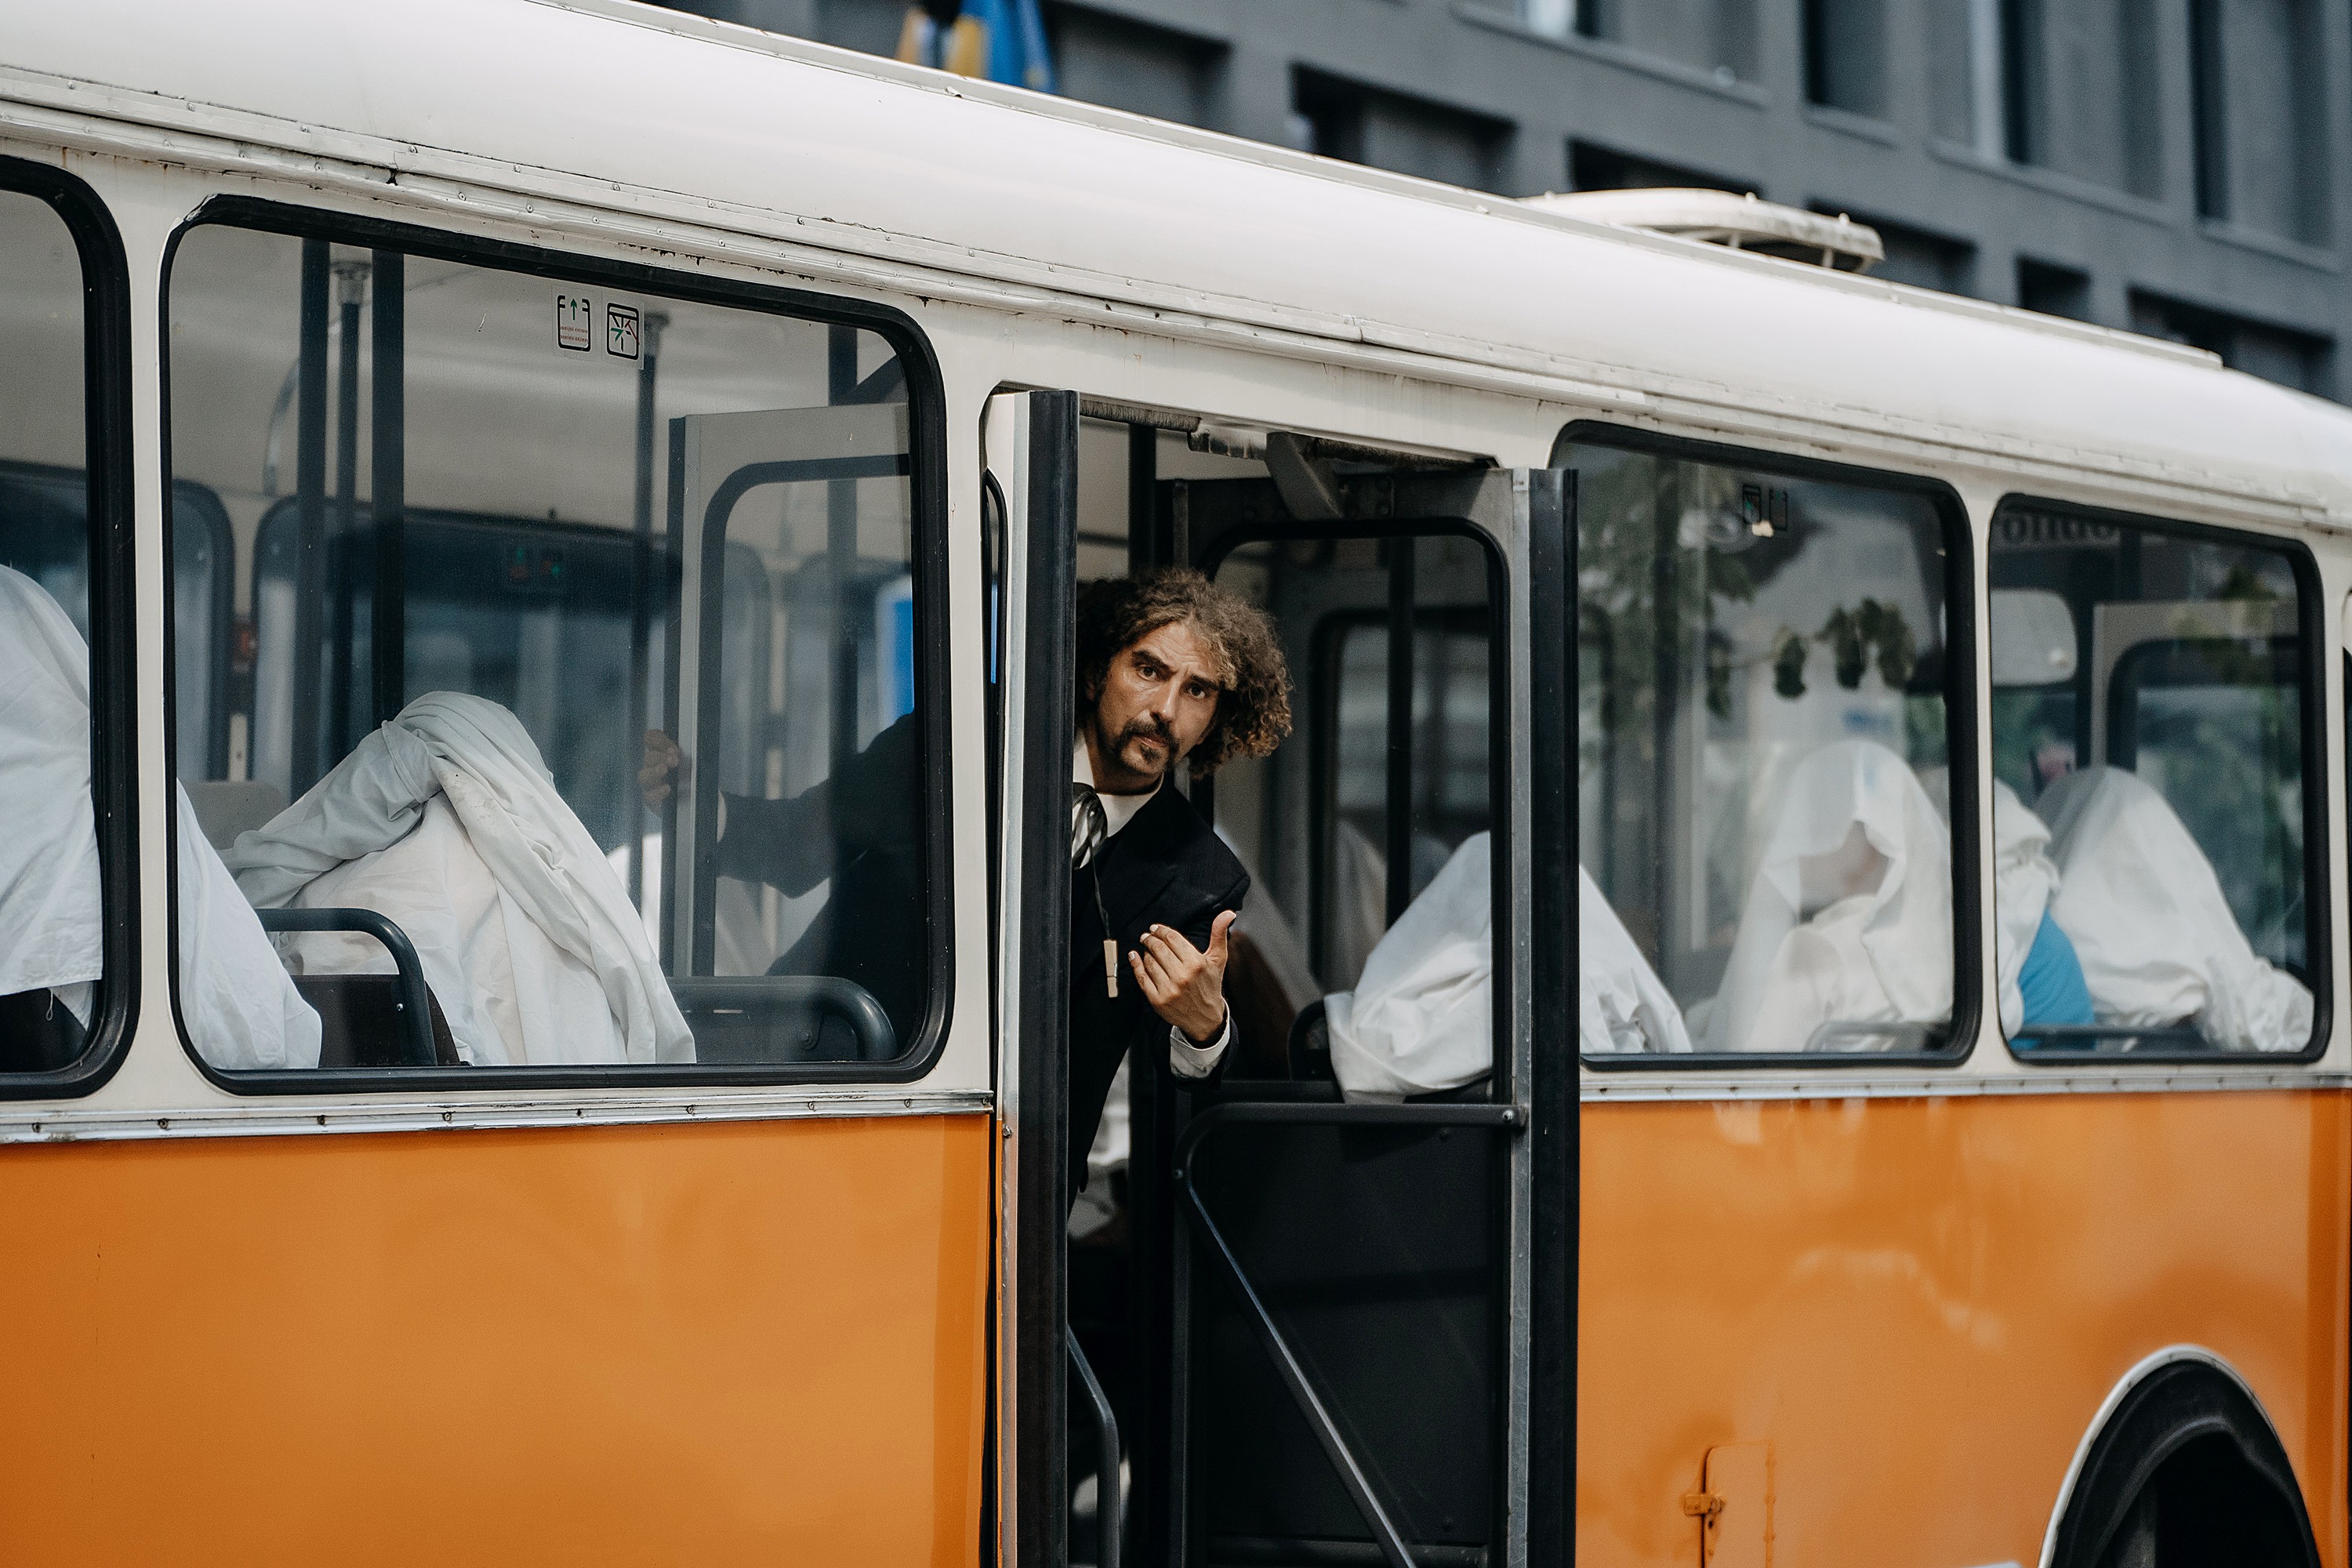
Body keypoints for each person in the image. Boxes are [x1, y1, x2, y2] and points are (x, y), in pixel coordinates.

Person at [643, 566, 1292, 1190]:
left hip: (1004, 1184)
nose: (1166, 709)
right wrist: (700, 803)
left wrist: (1205, 1028)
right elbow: (795, 847)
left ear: (1216, 718)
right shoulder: (960, 743)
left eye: (1198, 690)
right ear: (1097, 669)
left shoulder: (1200, 877)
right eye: (1148, 670)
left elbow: (1180, 1069)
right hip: (825, 1087)